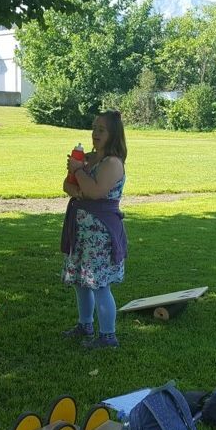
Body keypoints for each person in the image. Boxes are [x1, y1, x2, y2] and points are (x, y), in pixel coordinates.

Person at [60, 110, 128, 348]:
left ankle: (108, 335)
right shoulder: (88, 158)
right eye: (94, 128)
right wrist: (79, 187)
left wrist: (78, 171)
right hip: (82, 232)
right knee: (81, 281)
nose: (95, 134)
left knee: (99, 284)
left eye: (101, 130)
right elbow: (67, 185)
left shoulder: (112, 163)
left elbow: (96, 192)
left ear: (113, 134)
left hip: (101, 234)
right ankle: (85, 324)